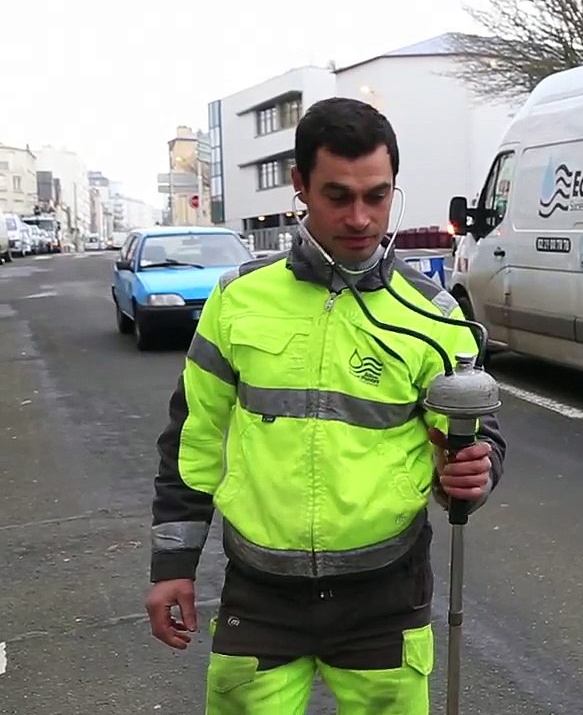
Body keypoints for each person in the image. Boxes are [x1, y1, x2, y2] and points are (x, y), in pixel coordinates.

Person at [144, 96, 506, 714]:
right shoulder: (238, 300)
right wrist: (172, 560)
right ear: (300, 187)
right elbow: (194, 437)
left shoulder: (436, 314)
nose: (362, 217)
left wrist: (476, 470)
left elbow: (470, 440)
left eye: (378, 195)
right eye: (339, 196)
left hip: (385, 595)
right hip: (260, 594)